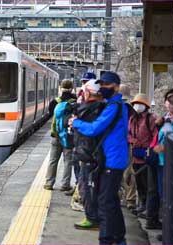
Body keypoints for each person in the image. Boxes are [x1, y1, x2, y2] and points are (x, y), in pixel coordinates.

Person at [70, 71, 128, 245]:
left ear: (116, 87)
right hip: (112, 159)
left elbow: (95, 128)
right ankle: (118, 239)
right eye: (101, 85)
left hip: (113, 160)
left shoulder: (114, 107)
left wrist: (76, 123)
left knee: (105, 203)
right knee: (111, 202)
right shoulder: (113, 105)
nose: (103, 88)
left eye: (107, 85)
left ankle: (107, 240)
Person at [73, 79, 105, 230]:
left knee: (87, 188)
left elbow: (90, 131)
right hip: (91, 153)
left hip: (89, 154)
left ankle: (92, 219)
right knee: (90, 187)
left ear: (88, 92)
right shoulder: (100, 108)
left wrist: (74, 122)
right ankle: (94, 216)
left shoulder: (91, 109)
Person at [148, 89, 173, 235]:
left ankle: (170, 231)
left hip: (172, 163)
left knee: (170, 196)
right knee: (162, 195)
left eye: (171, 101)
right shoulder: (166, 118)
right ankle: (167, 229)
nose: (168, 104)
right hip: (160, 162)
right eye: (168, 101)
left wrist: (164, 147)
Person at [44, 79, 76, 194]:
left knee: (53, 160)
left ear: (61, 88)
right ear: (71, 88)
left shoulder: (55, 102)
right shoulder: (75, 102)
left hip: (56, 135)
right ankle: (65, 185)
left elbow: (51, 115)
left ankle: (49, 183)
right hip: (68, 135)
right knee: (68, 161)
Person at [128, 94, 157, 217]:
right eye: (135, 103)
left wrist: (150, 148)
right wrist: (135, 141)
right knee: (139, 181)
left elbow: (155, 135)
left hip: (146, 155)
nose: (137, 106)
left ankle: (146, 206)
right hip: (136, 155)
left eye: (140, 103)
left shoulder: (150, 118)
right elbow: (127, 134)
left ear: (146, 106)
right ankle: (142, 204)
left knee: (147, 183)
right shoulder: (132, 119)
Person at [119, 84, 137, 212]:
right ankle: (130, 199)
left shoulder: (114, 109)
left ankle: (121, 197)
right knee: (130, 172)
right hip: (130, 144)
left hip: (119, 145)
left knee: (119, 171)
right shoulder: (133, 111)